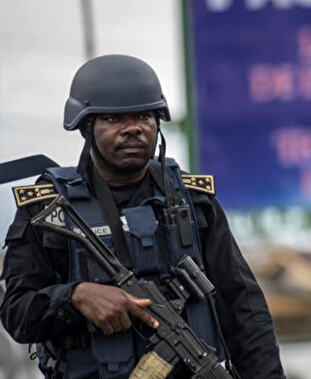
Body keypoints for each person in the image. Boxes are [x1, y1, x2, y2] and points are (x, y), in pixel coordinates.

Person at [0, 55, 285, 378]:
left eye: (144, 116)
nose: (132, 129)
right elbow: (17, 313)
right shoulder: (47, 209)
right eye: (114, 120)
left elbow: (244, 311)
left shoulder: (193, 202)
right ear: (86, 127)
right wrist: (75, 297)